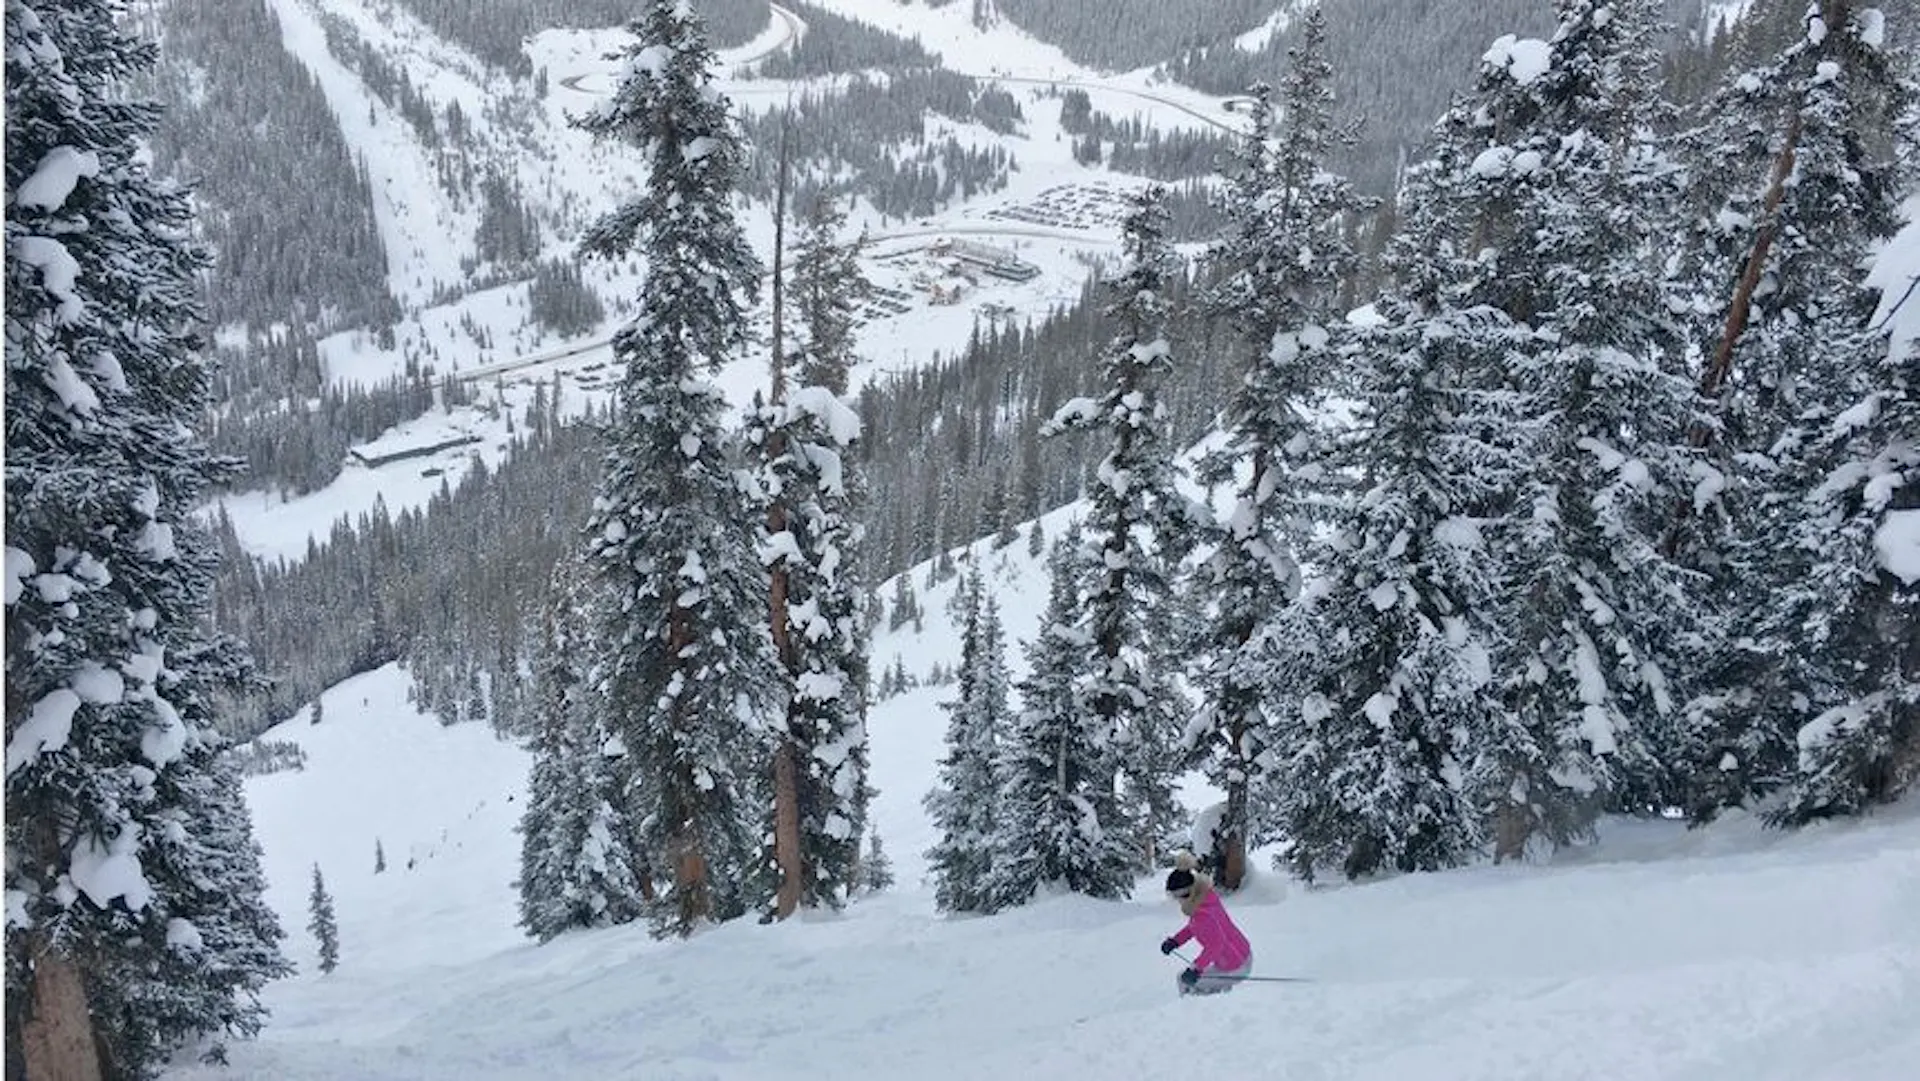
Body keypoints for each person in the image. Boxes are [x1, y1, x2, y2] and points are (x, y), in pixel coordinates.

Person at [1158, 852, 1251, 995]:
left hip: (1235, 966)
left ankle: (1195, 1007)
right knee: (1188, 982)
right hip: (1240, 955)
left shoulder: (1203, 914)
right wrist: (1175, 941)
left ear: (1186, 893)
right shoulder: (1205, 900)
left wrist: (1196, 969)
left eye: (1176, 896)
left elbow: (1216, 945)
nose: (1177, 900)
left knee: (1184, 982)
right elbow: (1194, 927)